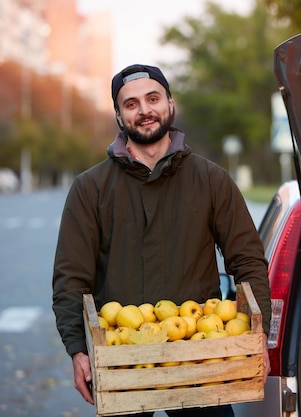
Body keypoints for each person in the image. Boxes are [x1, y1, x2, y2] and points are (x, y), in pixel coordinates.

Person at [52, 64, 272, 417]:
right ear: (119, 117)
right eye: (131, 104)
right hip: (121, 359)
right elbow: (70, 278)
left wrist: (259, 332)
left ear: (170, 104)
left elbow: (247, 260)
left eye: (152, 99)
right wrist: (78, 349)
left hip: (200, 353)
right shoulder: (90, 189)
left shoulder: (212, 180)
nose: (144, 111)